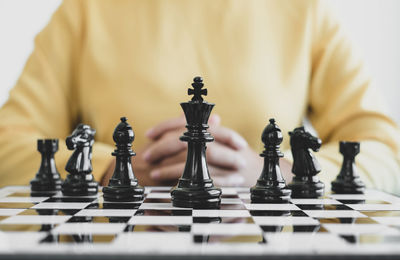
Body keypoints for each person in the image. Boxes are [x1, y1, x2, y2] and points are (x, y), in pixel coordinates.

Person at [0, 0, 399, 194]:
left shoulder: (303, 11)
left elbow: (387, 151)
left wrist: (283, 174)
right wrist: (107, 172)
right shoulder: (85, 11)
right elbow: (7, 144)